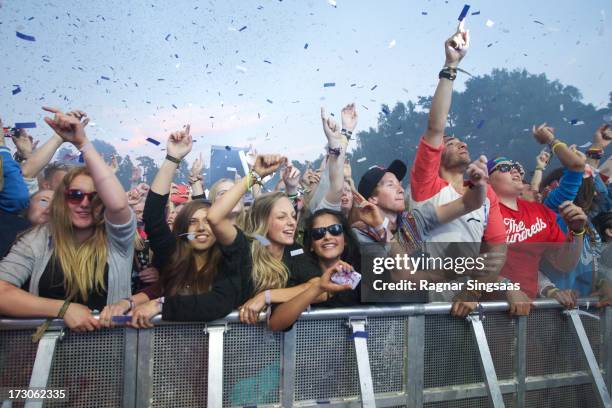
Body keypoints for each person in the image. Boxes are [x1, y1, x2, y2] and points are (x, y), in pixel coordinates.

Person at [0, 107, 135, 333]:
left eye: (94, 197)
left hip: (108, 354)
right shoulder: (40, 238)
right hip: (47, 354)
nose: (84, 204)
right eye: (75, 195)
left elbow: (120, 204)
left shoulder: (116, 239)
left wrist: (83, 143)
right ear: (62, 199)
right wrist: (62, 309)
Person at [149, 153, 323, 325]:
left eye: (293, 217)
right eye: (224, 194)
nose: (292, 223)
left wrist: (267, 296)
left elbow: (320, 289)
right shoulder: (243, 247)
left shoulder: (284, 248)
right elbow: (210, 218)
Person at [100, 125, 222, 328]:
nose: (201, 227)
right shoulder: (175, 253)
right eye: (192, 222)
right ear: (183, 229)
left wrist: (161, 304)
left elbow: (221, 299)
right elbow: (154, 216)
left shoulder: (229, 257)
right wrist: (173, 158)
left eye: (208, 222)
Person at [487, 156, 587, 314]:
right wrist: (507, 287)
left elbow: (564, 263)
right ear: (487, 182)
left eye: (516, 167)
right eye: (504, 168)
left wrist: (577, 231)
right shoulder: (479, 212)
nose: (514, 170)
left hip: (531, 310)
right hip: (486, 311)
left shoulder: (541, 212)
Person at [268, 209, 361, 331]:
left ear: (346, 239)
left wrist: (382, 227)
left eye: (335, 230)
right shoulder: (297, 272)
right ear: (311, 245)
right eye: (318, 233)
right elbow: (275, 323)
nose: (327, 237)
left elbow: (393, 288)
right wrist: (318, 288)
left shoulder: (360, 271)